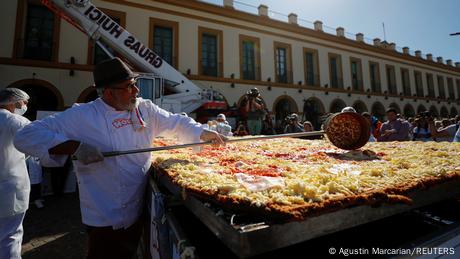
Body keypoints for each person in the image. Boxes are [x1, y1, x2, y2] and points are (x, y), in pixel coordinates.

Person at [14, 58, 225, 259]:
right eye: (128, 86)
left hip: (137, 204)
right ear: (107, 92)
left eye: (135, 84)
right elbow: (25, 135)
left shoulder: (144, 108)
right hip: (106, 212)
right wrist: (75, 147)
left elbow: (175, 122)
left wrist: (202, 132)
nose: (136, 91)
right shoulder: (81, 116)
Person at [0, 88, 31, 259]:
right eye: (24, 101)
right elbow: (33, 145)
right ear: (13, 100)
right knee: (10, 235)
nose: (25, 105)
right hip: (10, 189)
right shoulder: (16, 121)